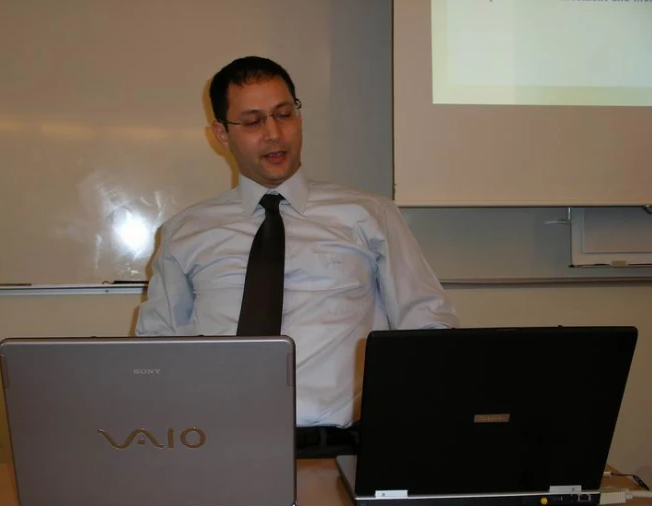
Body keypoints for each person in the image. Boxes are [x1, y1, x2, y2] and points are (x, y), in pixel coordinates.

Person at [135, 56, 458, 457]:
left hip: (343, 453)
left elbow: (428, 329)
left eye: (284, 114)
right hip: (217, 449)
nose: (274, 134)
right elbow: (154, 351)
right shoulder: (185, 232)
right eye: (253, 122)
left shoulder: (370, 215)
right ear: (221, 133)